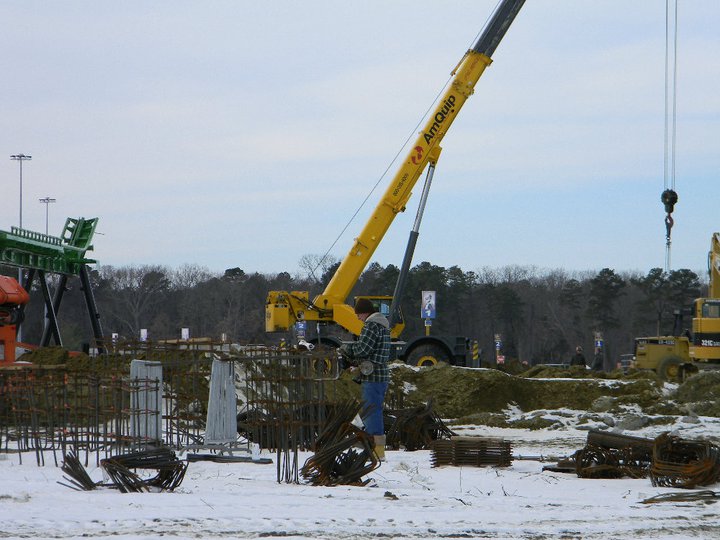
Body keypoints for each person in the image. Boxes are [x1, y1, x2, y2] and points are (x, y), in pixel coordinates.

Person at [338, 298, 391, 460]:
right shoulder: (383, 326)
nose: (358, 318)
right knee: (373, 410)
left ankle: (376, 450)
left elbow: (363, 349)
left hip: (373, 376)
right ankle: (372, 447)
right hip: (380, 375)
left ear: (364, 312)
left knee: (371, 411)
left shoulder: (371, 325)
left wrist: (346, 347)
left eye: (358, 315)